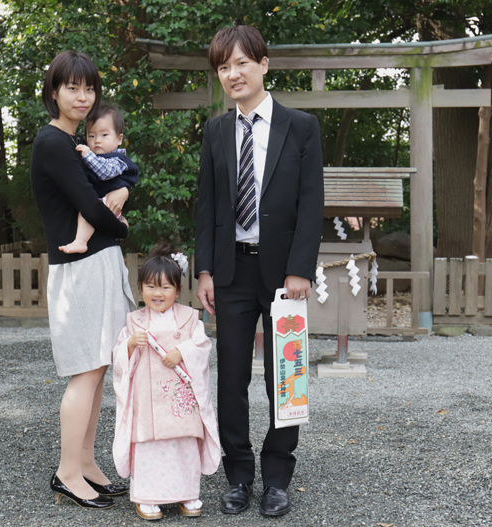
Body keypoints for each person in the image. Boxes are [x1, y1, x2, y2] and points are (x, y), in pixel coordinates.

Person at [194, 25, 324, 517]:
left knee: (283, 377)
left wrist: (299, 270)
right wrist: (204, 270)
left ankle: (277, 476)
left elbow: (311, 204)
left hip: (282, 277)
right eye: (223, 67)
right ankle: (239, 475)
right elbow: (207, 205)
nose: (233, 74)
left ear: (264, 65)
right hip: (229, 273)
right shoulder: (215, 130)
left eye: (241, 63)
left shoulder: (301, 126)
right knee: (230, 378)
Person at [30, 50, 135, 510]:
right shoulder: (54, 142)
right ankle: (67, 471)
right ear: (54, 91)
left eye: (89, 88)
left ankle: (87, 464)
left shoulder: (81, 145)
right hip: (79, 271)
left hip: (97, 266)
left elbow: (113, 189)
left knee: (97, 371)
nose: (82, 96)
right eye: (72, 87)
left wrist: (122, 196)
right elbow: (94, 209)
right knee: (85, 373)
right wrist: (122, 224)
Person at [111, 243, 221, 520]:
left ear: (178, 290)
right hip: (148, 401)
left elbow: (202, 346)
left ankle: (186, 493)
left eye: (165, 287)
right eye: (150, 286)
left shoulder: (189, 319)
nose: (157, 293)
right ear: (140, 289)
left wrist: (181, 352)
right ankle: (148, 495)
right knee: (150, 446)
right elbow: (118, 358)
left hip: (178, 400)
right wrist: (130, 346)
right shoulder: (134, 322)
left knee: (182, 443)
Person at [59, 103, 139, 254]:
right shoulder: (92, 155)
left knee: (87, 212)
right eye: (91, 135)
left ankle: (80, 241)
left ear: (119, 139)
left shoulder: (118, 160)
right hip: (104, 206)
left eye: (104, 135)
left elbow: (105, 172)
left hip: (106, 204)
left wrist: (88, 156)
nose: (97, 140)